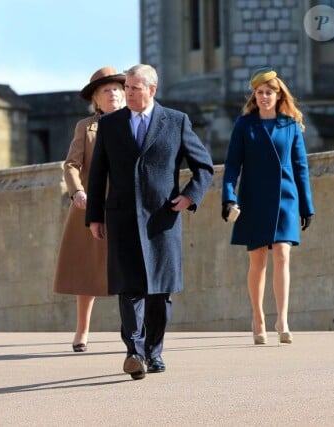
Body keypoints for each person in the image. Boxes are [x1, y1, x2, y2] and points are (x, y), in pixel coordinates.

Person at [86, 64, 214, 380]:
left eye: (134, 88)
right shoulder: (110, 124)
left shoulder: (176, 121)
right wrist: (94, 217)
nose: (127, 93)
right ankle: (134, 351)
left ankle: (153, 351)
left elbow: (204, 168)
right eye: (126, 88)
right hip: (122, 217)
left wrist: (188, 197)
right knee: (129, 288)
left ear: (152, 90)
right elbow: (97, 173)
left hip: (162, 219)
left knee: (160, 292)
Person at [221, 67, 315, 345]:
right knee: (258, 260)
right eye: (259, 92)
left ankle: (283, 319)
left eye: (269, 92)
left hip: (286, 197)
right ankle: (258, 316)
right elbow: (231, 167)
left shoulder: (290, 125)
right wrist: (228, 196)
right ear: (254, 95)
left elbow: (301, 167)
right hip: (253, 197)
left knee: (283, 255)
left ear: (278, 94)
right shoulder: (244, 124)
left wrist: (307, 206)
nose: (263, 96)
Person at [53, 66, 125, 352]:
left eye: (117, 89)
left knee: (129, 269)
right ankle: (82, 331)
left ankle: (132, 331)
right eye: (106, 90)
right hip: (91, 205)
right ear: (96, 99)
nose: (113, 94)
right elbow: (71, 164)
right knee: (86, 271)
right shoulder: (86, 126)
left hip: (124, 206)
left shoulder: (136, 123)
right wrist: (77, 191)